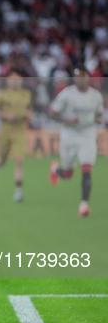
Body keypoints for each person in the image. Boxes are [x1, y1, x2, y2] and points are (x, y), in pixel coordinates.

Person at [48, 67, 103, 217]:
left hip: (87, 135)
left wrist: (98, 118)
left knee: (87, 169)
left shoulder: (96, 96)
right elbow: (51, 113)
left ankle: (84, 206)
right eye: (77, 76)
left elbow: (99, 113)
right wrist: (68, 120)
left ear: (88, 78)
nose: (80, 79)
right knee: (67, 174)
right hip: (69, 136)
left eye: (83, 76)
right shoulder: (67, 94)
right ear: (74, 78)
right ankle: (55, 169)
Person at [0, 70, 34, 202]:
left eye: (17, 78)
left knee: (19, 160)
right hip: (5, 131)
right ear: (8, 80)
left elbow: (30, 109)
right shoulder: (1, 93)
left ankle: (18, 191)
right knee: (3, 161)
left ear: (21, 81)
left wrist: (30, 114)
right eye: (12, 78)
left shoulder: (26, 94)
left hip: (20, 130)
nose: (15, 81)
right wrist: (5, 115)